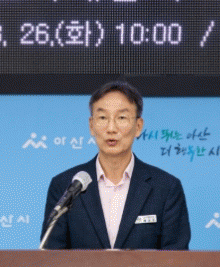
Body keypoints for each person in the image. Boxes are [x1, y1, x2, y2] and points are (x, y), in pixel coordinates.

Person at [40, 80, 190, 250]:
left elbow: (176, 259)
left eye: (121, 118)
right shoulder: (66, 186)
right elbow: (51, 256)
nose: (111, 128)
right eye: (103, 118)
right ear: (91, 125)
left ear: (138, 126)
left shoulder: (166, 188)